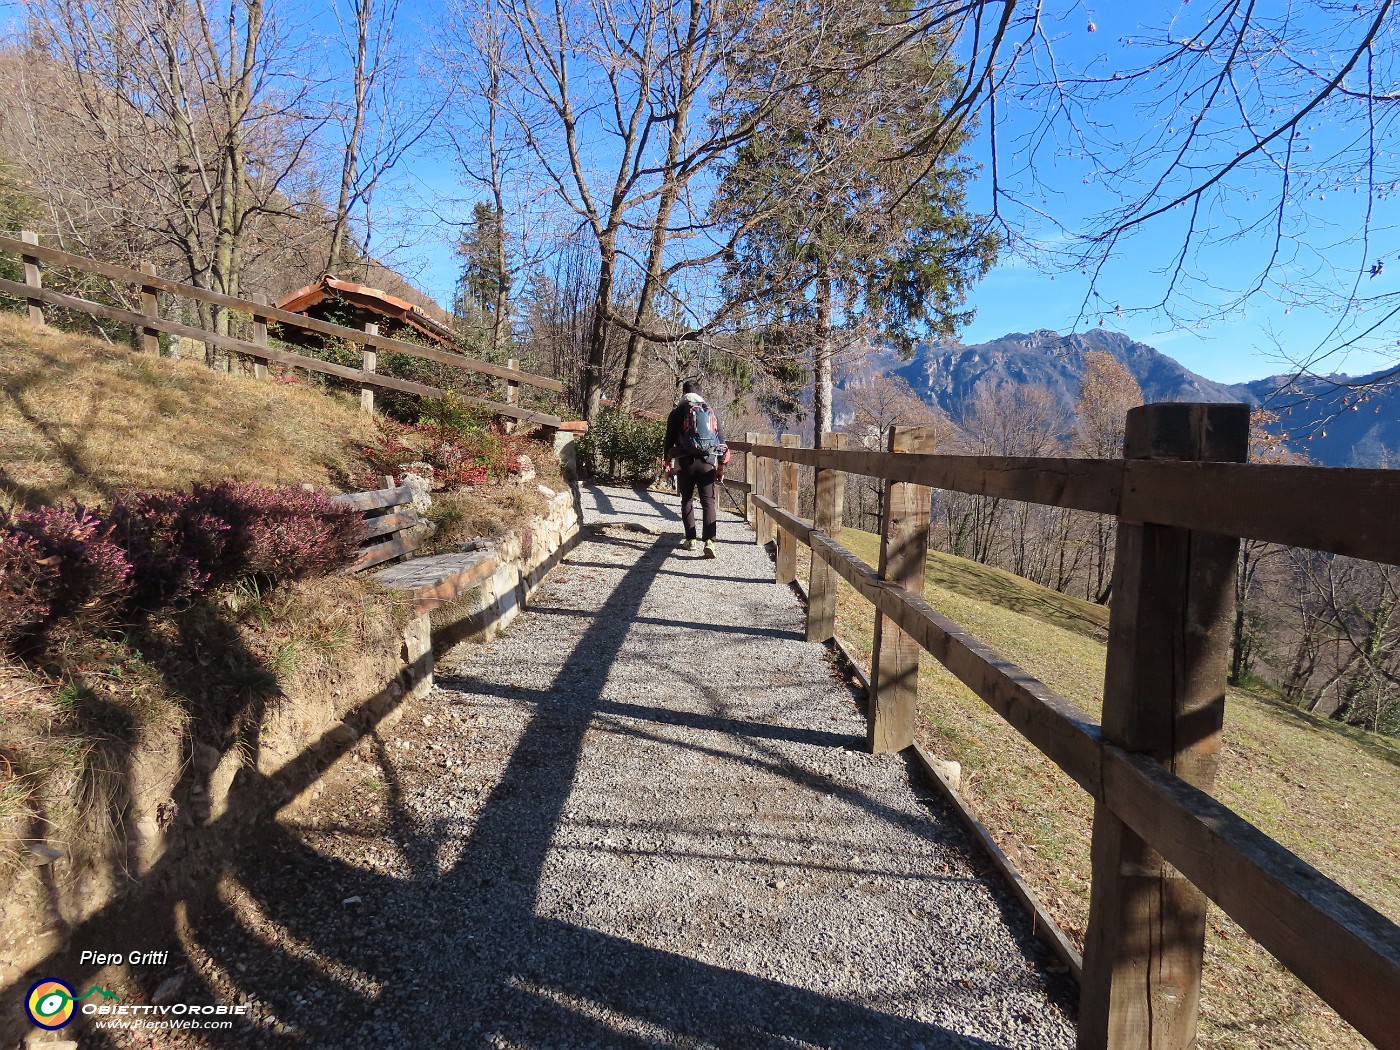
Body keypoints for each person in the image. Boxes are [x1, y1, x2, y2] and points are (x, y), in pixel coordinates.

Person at [663, 379, 725, 558]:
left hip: (685, 463)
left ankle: (691, 540)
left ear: (684, 393)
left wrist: (667, 465)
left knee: (687, 500)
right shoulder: (710, 412)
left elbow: (668, 442)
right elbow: (722, 442)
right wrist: (720, 467)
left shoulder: (676, 413)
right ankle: (710, 541)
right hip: (707, 463)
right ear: (700, 393)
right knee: (708, 502)